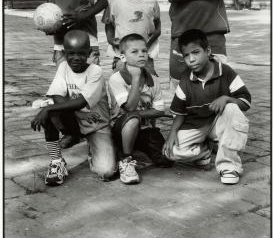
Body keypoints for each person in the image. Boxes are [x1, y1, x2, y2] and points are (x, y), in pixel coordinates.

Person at [41, 0, 108, 148]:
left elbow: (103, 1)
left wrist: (83, 15)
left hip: (86, 39)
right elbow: (50, 9)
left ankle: (93, 128)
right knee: (65, 90)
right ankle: (72, 130)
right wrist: (49, 25)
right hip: (62, 43)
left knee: (88, 88)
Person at [163, 29, 251, 185]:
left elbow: (246, 101)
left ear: (208, 51)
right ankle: (203, 152)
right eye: (186, 55)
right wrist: (172, 132)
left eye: (195, 52)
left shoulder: (226, 72)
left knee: (231, 107)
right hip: (198, 126)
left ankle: (229, 166)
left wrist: (226, 98)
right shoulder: (186, 79)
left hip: (220, 124)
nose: (191, 59)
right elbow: (180, 112)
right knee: (171, 152)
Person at [31, 30, 116, 186]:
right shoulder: (63, 67)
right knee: (52, 111)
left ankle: (95, 147)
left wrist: (48, 109)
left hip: (96, 125)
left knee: (106, 171)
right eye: (71, 53)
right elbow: (57, 95)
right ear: (64, 53)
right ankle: (57, 162)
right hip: (76, 120)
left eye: (81, 53)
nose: (76, 58)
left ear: (89, 53)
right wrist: (52, 110)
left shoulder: (95, 71)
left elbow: (81, 102)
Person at [108, 33, 173, 185]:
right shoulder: (116, 78)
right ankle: (125, 159)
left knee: (166, 160)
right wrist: (136, 78)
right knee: (132, 119)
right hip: (120, 129)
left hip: (144, 130)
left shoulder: (153, 79)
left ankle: (134, 148)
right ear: (123, 57)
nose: (141, 55)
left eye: (144, 51)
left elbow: (159, 110)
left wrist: (137, 114)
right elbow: (129, 107)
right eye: (135, 52)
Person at [102, 0, 161, 75]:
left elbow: (157, 24)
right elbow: (108, 23)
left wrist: (152, 38)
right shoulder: (114, 0)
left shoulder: (152, 1)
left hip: (145, 54)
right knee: (120, 85)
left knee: (147, 86)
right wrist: (110, 40)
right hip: (121, 55)